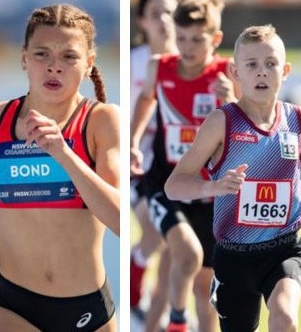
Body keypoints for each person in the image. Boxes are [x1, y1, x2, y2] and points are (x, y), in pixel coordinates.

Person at [0, 4, 119, 331]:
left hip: (87, 309)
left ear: (89, 63)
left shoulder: (101, 122)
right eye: (42, 54)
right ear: (24, 58)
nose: (54, 67)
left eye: (69, 56)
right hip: (10, 305)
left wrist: (64, 154)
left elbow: (121, 220)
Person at [165, 24, 301, 332]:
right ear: (235, 73)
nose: (262, 73)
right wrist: (215, 186)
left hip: (284, 248)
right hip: (234, 256)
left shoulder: (300, 119)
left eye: (270, 64)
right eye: (252, 65)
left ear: (285, 70)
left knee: (285, 317)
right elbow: (174, 185)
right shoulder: (222, 123)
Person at [130, 0, 235, 331]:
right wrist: (133, 142)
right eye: (183, 38)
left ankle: (167, 316)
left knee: (202, 291)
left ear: (214, 39)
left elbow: (245, 134)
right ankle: (177, 322)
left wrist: (231, 102)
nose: (188, 47)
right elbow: (146, 99)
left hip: (208, 193)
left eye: (197, 39)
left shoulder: (226, 74)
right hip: (166, 185)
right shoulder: (159, 67)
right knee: (185, 255)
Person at [129, 0, 177, 330]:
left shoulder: (193, 61)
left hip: (186, 169)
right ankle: (134, 285)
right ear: (142, 21)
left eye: (170, 12)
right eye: (155, 13)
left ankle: (168, 314)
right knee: (159, 231)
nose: (164, 20)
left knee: (181, 251)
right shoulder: (134, 64)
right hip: (141, 167)